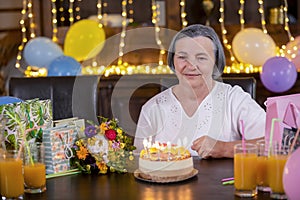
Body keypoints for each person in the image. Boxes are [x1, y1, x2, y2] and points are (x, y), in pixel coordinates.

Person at [134, 24, 265, 158]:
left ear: (215, 63)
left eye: (201, 57)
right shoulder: (152, 108)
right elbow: (139, 161)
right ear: (173, 61)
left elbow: (274, 143)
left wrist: (224, 148)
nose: (191, 66)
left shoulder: (235, 99)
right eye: (182, 57)